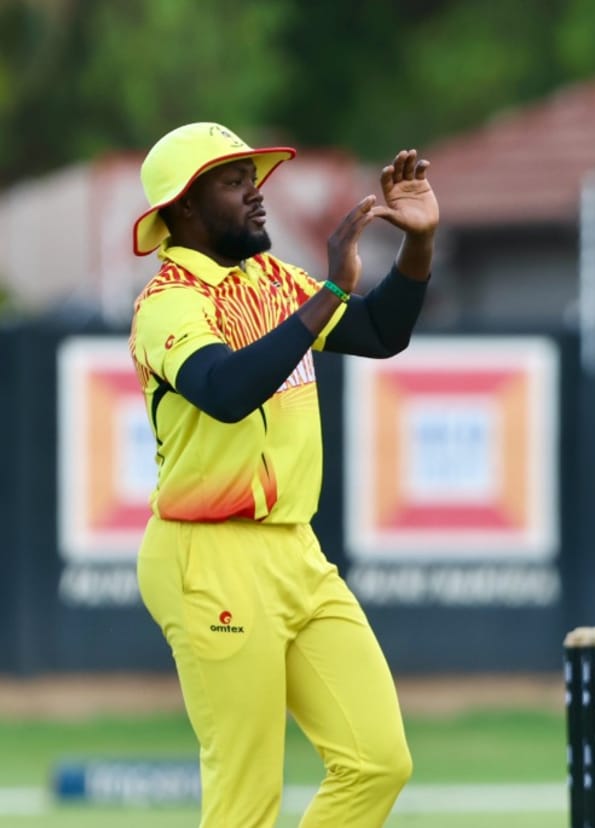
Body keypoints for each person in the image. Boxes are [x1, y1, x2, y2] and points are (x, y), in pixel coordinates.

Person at [127, 122, 438, 827]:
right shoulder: (167, 303)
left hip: (294, 549)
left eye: (253, 178)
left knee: (378, 762)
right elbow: (227, 391)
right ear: (181, 208)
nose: (255, 195)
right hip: (206, 554)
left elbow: (380, 333)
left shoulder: (274, 280)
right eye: (232, 183)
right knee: (247, 799)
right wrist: (327, 292)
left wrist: (418, 245)